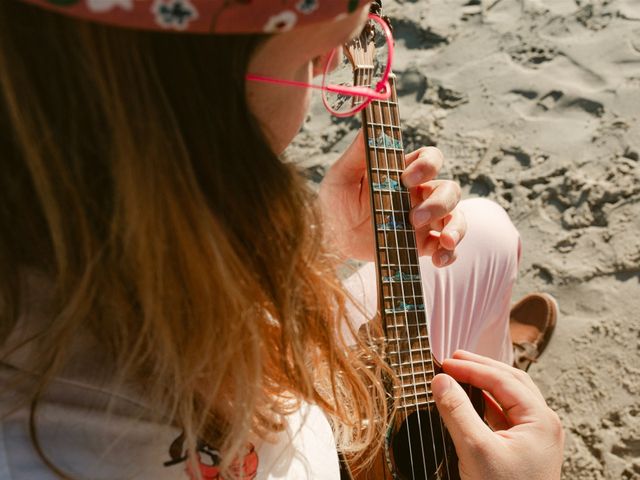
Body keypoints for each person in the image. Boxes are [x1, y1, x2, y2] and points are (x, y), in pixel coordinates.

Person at [0, 1, 564, 479]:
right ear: (197, 99)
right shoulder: (72, 453)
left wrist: (326, 239)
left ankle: (485, 400)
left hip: (282, 402)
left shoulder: (69, 224)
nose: (327, 67)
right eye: (313, 59)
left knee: (483, 235)